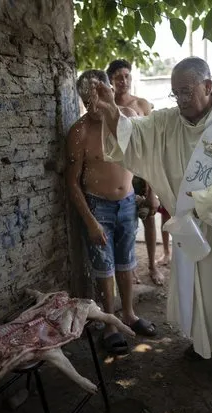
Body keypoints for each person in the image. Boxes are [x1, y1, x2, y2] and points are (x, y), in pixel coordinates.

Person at [92, 56, 212, 381]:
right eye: (176, 93)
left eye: (187, 92)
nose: (181, 100)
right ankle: (204, 345)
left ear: (208, 86)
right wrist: (111, 113)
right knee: (197, 288)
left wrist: (205, 202)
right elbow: (135, 135)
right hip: (191, 225)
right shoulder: (169, 121)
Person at [66, 69, 157, 355]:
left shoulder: (127, 118)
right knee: (104, 268)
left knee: (127, 262)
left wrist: (151, 192)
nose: (94, 105)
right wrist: (90, 221)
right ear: (81, 100)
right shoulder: (79, 131)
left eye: (99, 96)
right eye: (87, 99)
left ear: (108, 91)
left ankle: (128, 313)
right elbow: (71, 182)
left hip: (128, 202)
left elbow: (145, 156)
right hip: (97, 206)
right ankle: (110, 323)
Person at [106, 59, 164, 285]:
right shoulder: (106, 106)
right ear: (110, 80)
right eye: (118, 77)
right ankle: (129, 268)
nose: (123, 80)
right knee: (126, 222)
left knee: (149, 218)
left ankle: (152, 266)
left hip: (142, 171)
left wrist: (152, 186)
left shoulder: (141, 105)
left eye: (127, 76)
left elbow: (152, 144)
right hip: (119, 170)